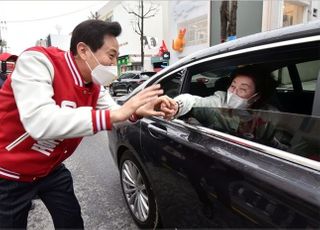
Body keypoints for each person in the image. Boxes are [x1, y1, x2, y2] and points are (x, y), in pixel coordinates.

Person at [0, 20, 175, 229]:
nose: (114, 64)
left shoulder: (95, 86)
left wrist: (137, 111)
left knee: (72, 222)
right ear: (83, 50)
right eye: (111, 56)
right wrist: (118, 113)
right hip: (10, 175)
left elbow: (114, 114)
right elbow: (40, 121)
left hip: (51, 170)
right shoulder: (38, 61)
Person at [166, 66, 278, 119]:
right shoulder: (220, 100)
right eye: (233, 86)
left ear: (256, 96)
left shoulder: (269, 114)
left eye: (243, 89)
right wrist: (176, 105)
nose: (234, 92)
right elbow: (193, 101)